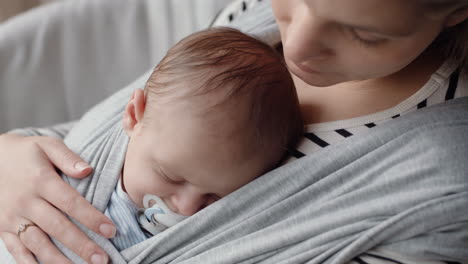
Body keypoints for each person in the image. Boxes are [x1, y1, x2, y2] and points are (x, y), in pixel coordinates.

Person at [0, 0, 467, 263]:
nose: (298, 46)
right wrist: (16, 156)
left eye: (363, 34)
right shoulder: (252, 19)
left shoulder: (442, 191)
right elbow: (134, 132)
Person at [80, 27, 302, 251]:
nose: (185, 208)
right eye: (170, 176)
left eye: (214, 197)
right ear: (133, 116)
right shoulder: (84, 173)